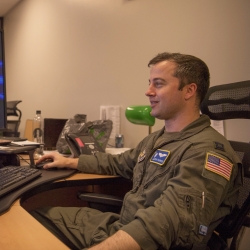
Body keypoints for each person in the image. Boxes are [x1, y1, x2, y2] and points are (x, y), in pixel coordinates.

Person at [32, 52, 242, 250]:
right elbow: (119, 162)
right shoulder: (156, 139)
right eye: (149, 83)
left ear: (189, 90)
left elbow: (165, 222)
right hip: (125, 225)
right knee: (37, 217)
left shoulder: (206, 152)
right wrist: (69, 162)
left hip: (147, 241)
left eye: (158, 84)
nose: (148, 91)